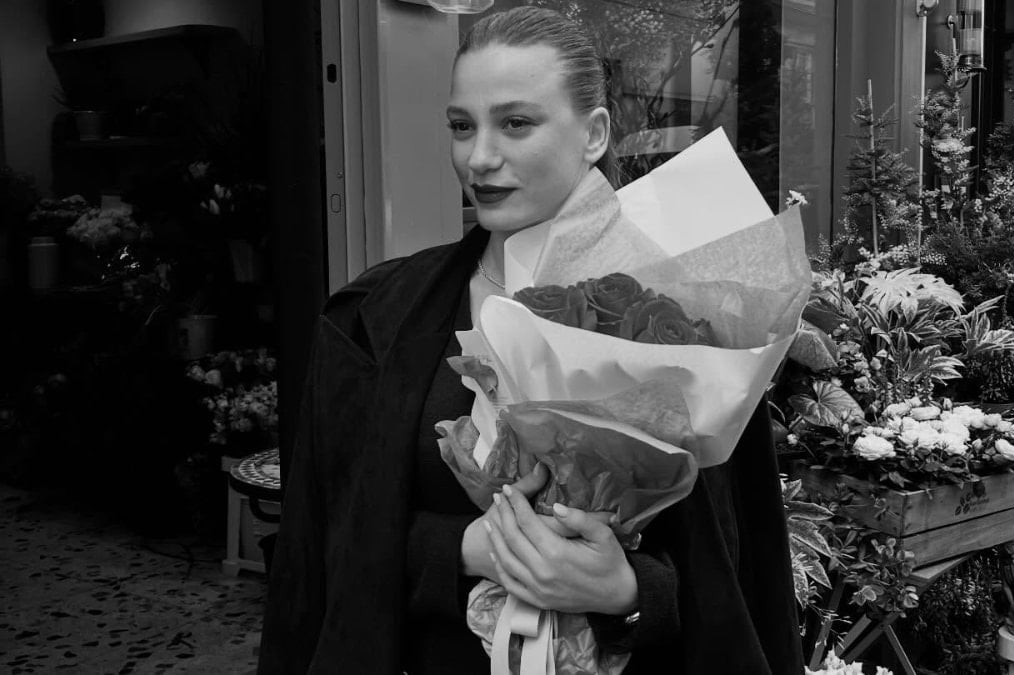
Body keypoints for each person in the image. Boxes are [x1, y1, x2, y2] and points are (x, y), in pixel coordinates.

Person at [258, 7, 801, 674]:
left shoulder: (691, 317)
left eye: (516, 123)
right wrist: (467, 548)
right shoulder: (375, 318)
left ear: (594, 133)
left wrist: (627, 592)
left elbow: (733, 571)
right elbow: (327, 541)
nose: (479, 157)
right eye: (462, 126)